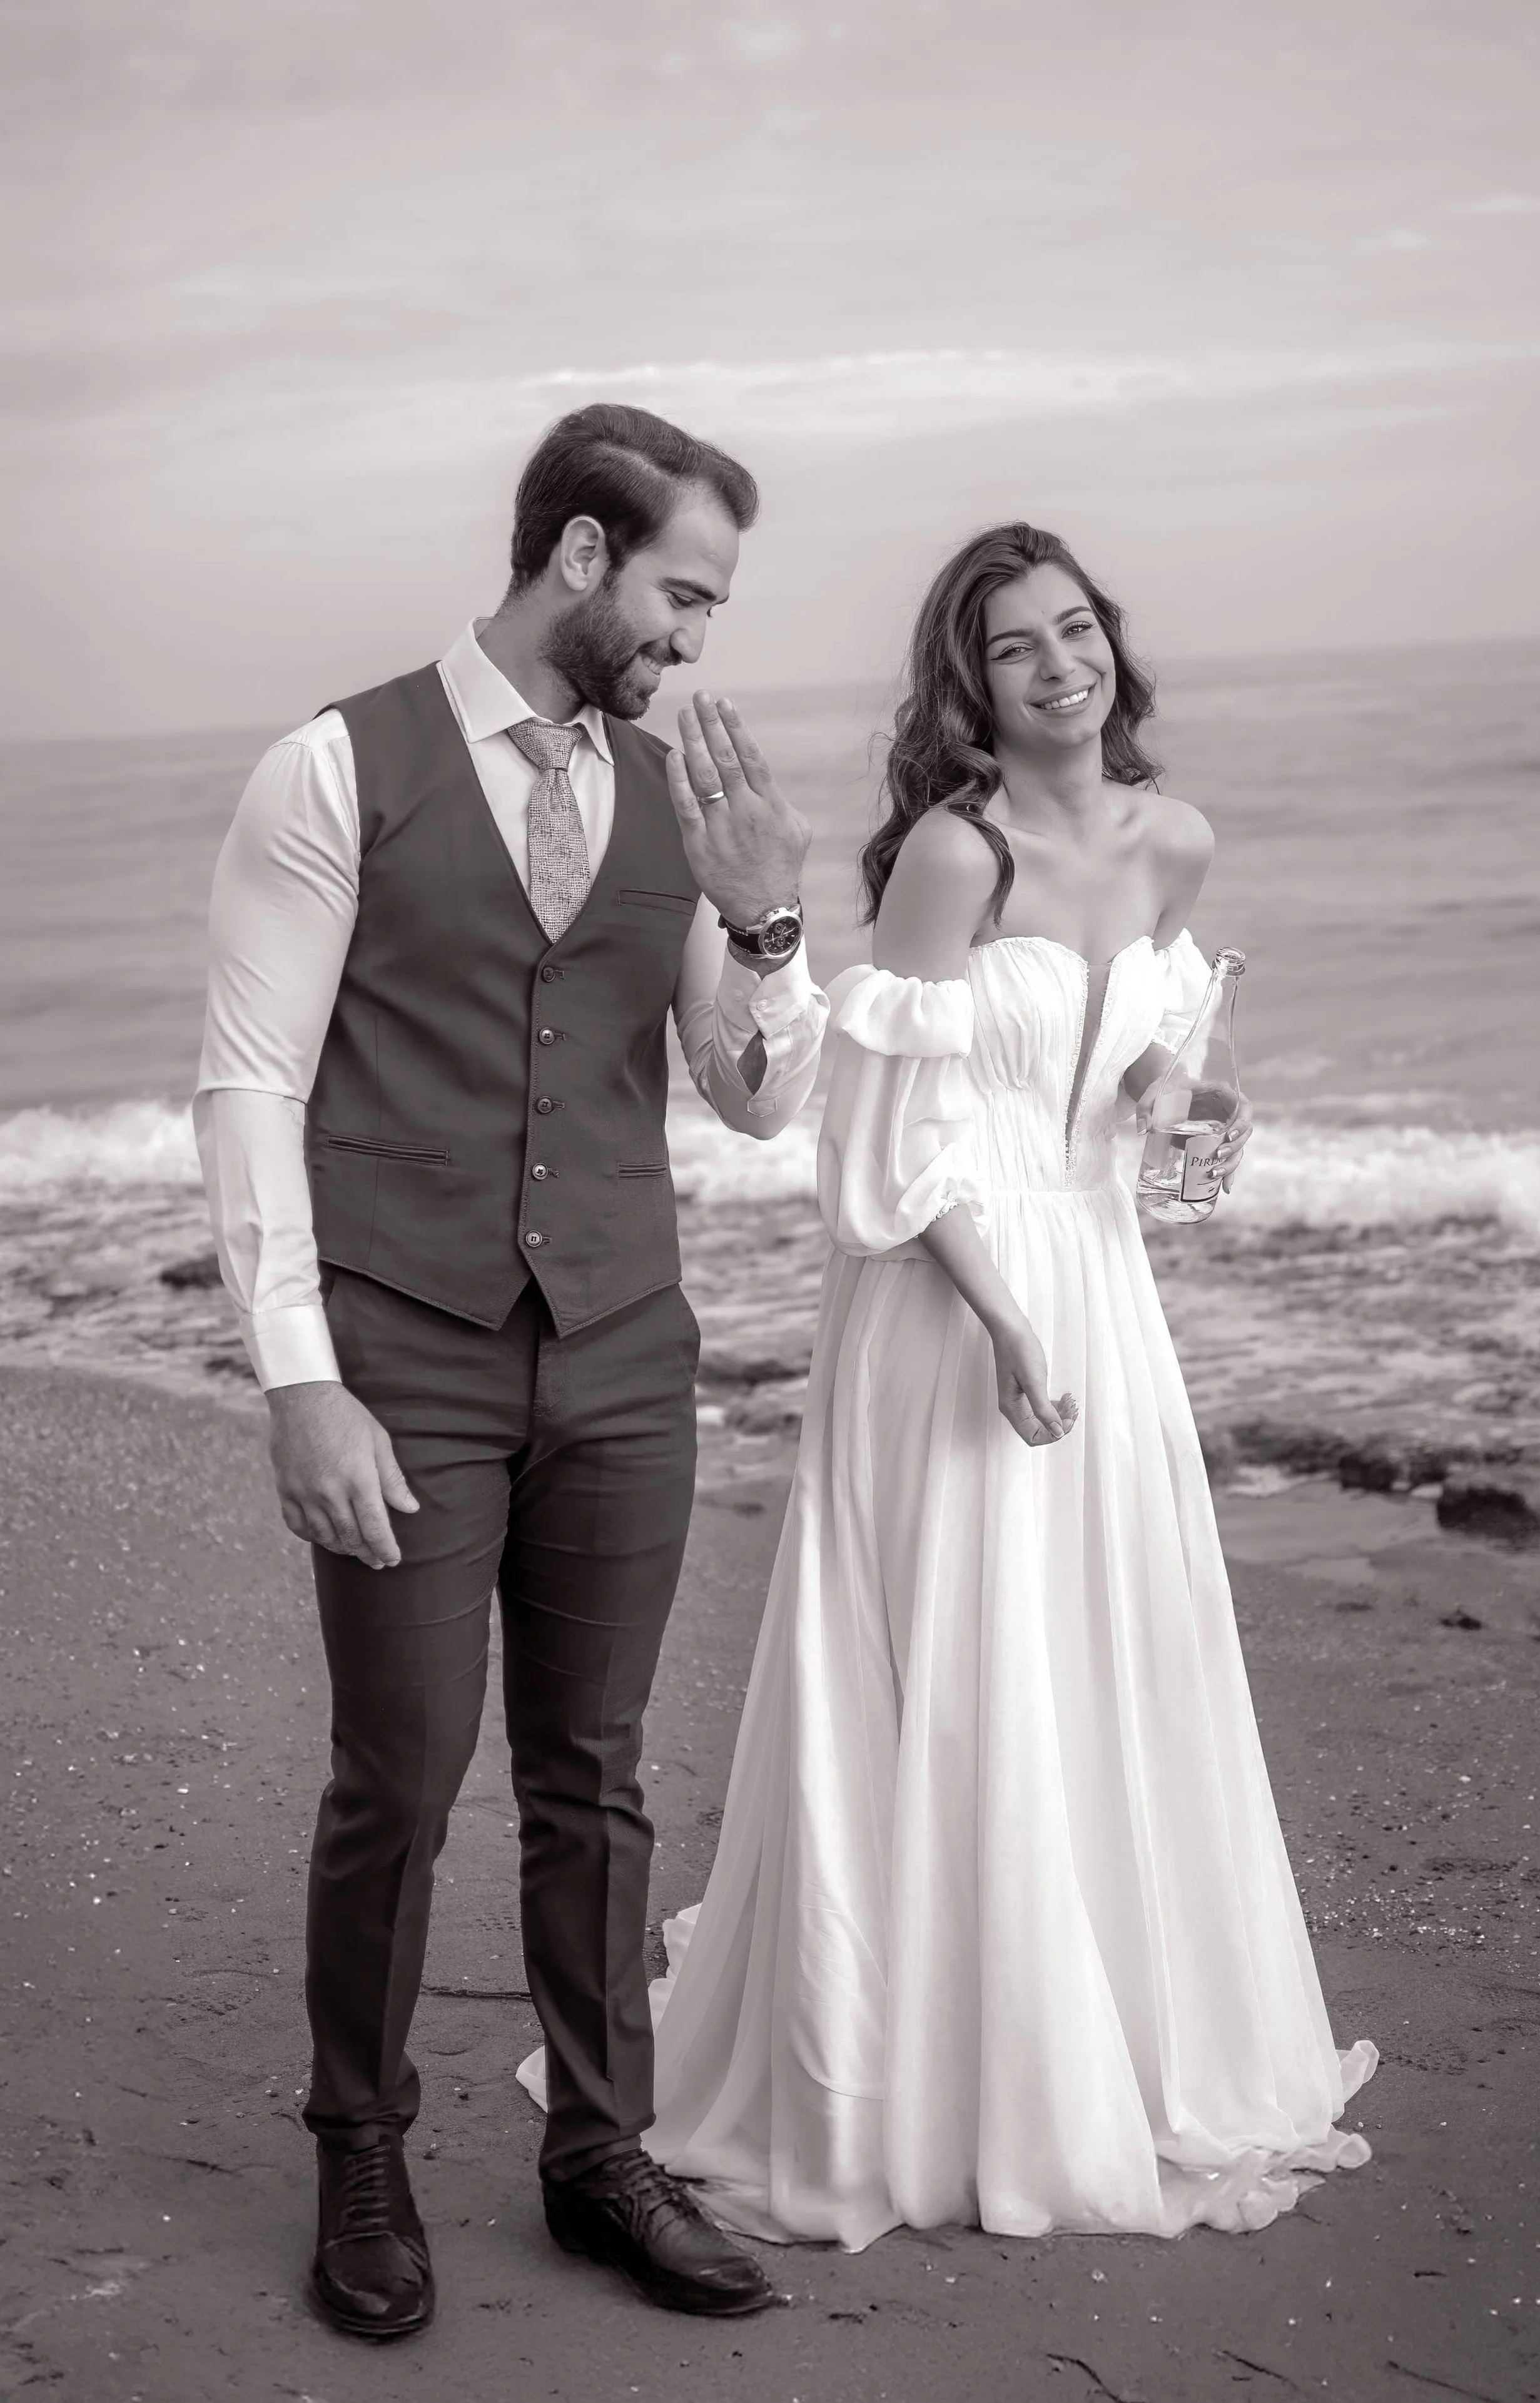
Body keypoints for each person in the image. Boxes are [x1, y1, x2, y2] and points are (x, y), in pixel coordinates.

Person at [602, 521, 1377, 2250]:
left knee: (1104, 1651)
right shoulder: (956, 859)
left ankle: (1116, 2030)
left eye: (1076, 628)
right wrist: (1008, 1320)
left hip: (1100, 1288)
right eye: (1015, 644)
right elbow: (889, 1141)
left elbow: (1126, 1084)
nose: (1057, 664)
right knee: (967, 1672)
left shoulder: (1173, 840)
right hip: (950, 1300)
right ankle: (955, 2069)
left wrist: (1182, 1103)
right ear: (971, 686)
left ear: (1114, 644)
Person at [195, 404, 828, 2334]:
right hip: (404, 1356)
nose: (693, 640)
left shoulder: (669, 792)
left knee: (598, 1777)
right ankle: (362, 2153)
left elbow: (755, 1102)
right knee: (398, 1773)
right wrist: (298, 1379)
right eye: (679, 593)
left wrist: (766, 916)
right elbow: (249, 1088)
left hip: (626, 1353)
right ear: (575, 554)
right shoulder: (330, 768)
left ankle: (597, 2157)